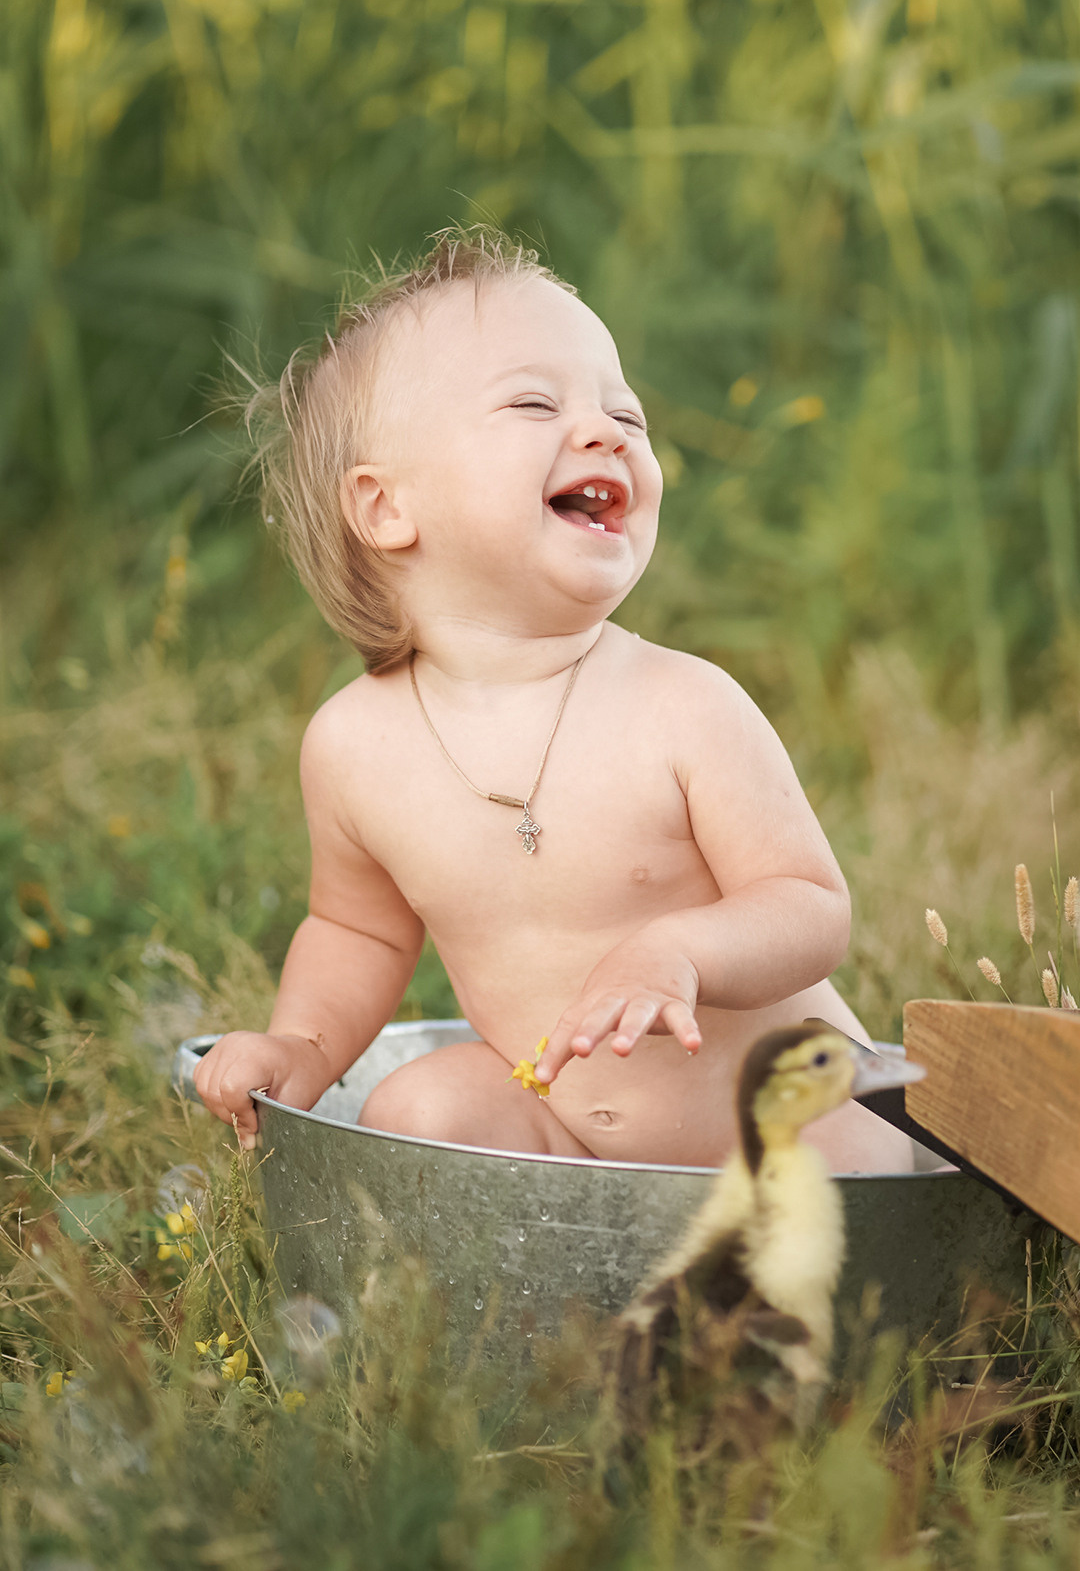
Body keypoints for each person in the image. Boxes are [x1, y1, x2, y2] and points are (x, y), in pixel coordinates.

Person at [195, 227, 912, 1173]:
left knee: (845, 1165)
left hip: (782, 1121)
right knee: (419, 1105)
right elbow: (355, 929)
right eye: (536, 402)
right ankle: (562, 1280)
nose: (607, 430)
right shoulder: (354, 747)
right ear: (384, 509)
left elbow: (810, 906)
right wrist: (306, 1049)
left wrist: (682, 952)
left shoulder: (681, 704)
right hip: (565, 1130)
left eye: (629, 414)